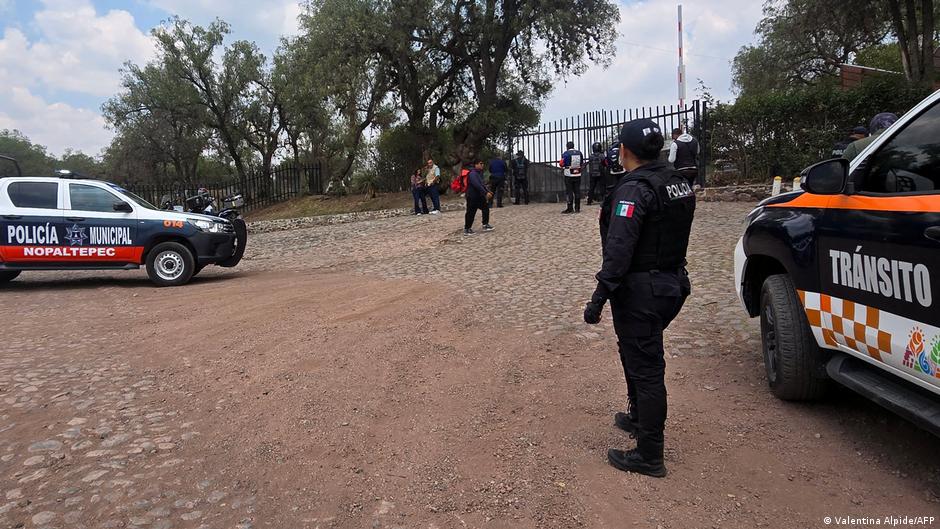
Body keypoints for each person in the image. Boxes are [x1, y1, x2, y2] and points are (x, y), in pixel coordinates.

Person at [583, 119, 695, 478]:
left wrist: (598, 297)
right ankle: (637, 417)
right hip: (671, 284)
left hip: (641, 290)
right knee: (634, 350)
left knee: (647, 369)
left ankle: (649, 453)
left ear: (625, 151)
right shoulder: (677, 182)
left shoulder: (634, 190)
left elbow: (619, 249)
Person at [464, 160, 494, 235]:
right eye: (481, 163)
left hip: (479, 196)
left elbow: (482, 184)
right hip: (472, 196)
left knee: (485, 208)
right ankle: (467, 229)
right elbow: (477, 185)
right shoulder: (472, 174)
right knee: (471, 212)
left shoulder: (479, 173)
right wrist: (485, 193)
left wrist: (487, 191)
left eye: (483, 163)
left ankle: (485, 224)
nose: (482, 165)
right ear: (476, 165)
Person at [559, 141, 585, 213]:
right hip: (578, 173)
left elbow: (561, 163)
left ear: (567, 147)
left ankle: (570, 208)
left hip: (568, 174)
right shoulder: (579, 153)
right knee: (577, 191)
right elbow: (582, 163)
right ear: (573, 146)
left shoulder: (566, 153)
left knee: (569, 191)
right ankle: (577, 208)